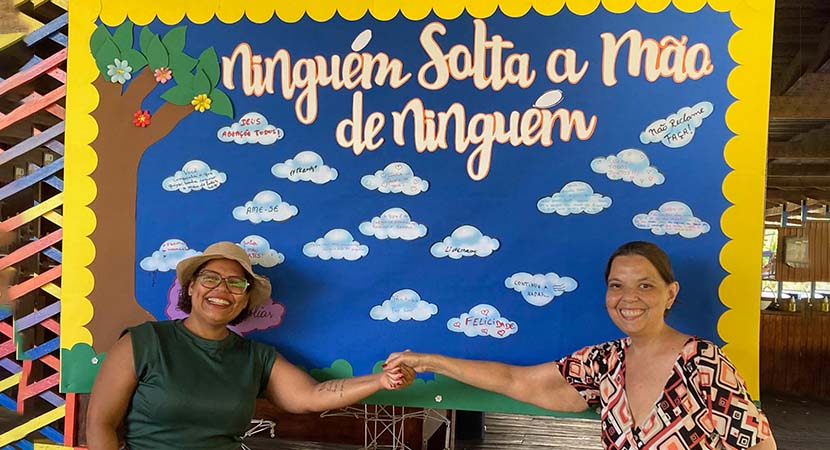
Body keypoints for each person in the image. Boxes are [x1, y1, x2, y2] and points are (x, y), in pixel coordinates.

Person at [385, 241, 776, 450]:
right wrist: (429, 360)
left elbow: (758, 445)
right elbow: (515, 380)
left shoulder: (703, 362)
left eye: (645, 285)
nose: (629, 298)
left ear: (670, 293)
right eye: (616, 285)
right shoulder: (605, 363)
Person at [87, 241, 414, 450]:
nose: (221, 289)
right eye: (210, 278)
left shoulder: (256, 358)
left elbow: (314, 396)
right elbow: (100, 422)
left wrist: (380, 380)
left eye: (235, 283)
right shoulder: (144, 342)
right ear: (191, 288)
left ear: (244, 300)